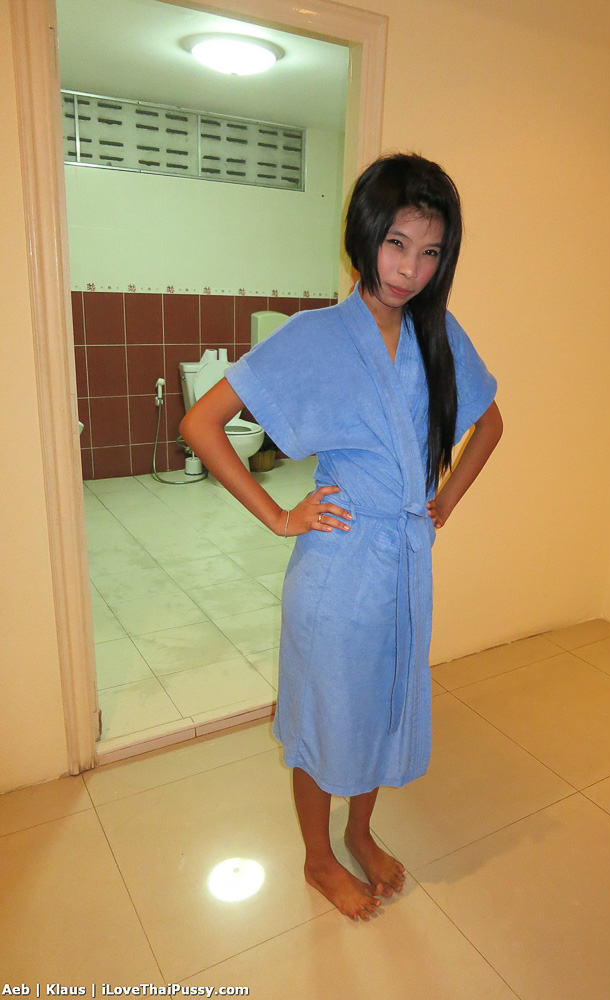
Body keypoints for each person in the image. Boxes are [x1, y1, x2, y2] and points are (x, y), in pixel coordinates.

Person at [180, 153, 503, 921]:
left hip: (404, 569)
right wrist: (278, 515)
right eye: (397, 244)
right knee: (326, 720)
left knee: (382, 709)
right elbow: (201, 423)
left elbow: (489, 424)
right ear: (365, 235)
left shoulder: (437, 333)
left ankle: (359, 833)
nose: (411, 269)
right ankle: (317, 857)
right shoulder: (313, 336)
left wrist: (443, 502)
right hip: (337, 575)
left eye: (431, 252)